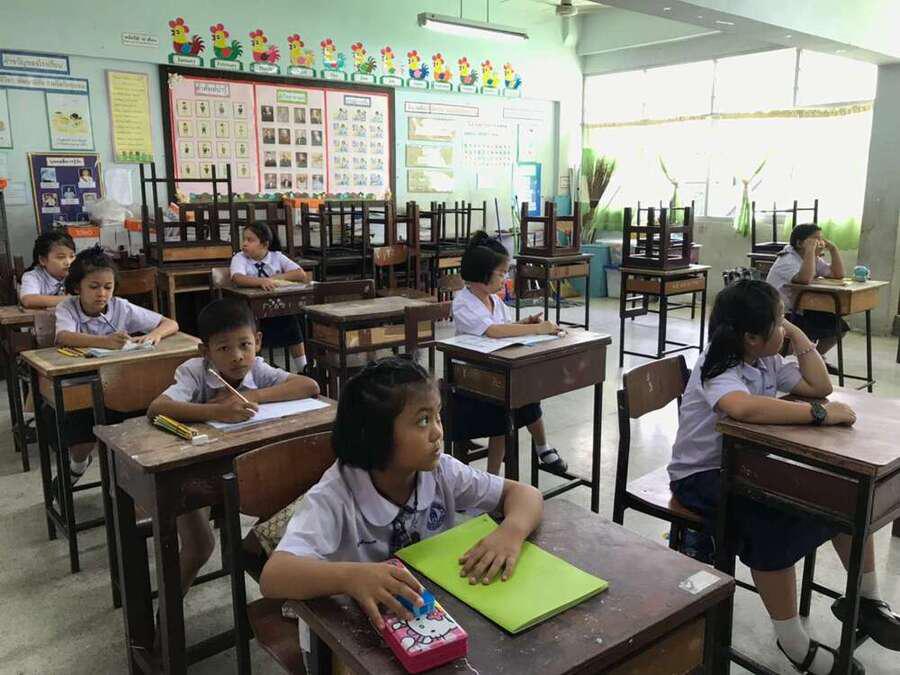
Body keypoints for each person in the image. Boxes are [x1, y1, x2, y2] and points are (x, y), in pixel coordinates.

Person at [668, 279, 898, 675]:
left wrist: (796, 335)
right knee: (769, 526)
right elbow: (742, 408)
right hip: (702, 476)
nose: (785, 326)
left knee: (841, 498)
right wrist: (819, 414)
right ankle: (793, 642)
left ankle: (866, 601)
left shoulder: (765, 360)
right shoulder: (717, 364)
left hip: (748, 468)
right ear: (751, 337)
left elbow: (820, 386)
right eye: (779, 322)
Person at [259, 357, 543, 630]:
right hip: (355, 625)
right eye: (423, 421)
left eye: (437, 416)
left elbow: (525, 494)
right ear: (376, 435)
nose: (437, 432)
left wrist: (510, 532)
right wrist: (350, 577)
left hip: (429, 609)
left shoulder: (440, 471)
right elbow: (274, 576)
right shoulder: (336, 495)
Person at [147, 298, 319, 595]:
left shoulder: (257, 369)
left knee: (285, 515)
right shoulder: (194, 372)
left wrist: (255, 396)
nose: (237, 356)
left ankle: (274, 589)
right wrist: (217, 411)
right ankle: (166, 617)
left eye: (245, 345)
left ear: (258, 342)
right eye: (224, 348)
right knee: (200, 546)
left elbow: (309, 386)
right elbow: (157, 408)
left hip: (243, 465)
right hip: (192, 469)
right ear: (205, 352)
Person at [52, 247, 178, 494]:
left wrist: (154, 335)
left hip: (122, 386)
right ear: (77, 287)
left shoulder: (121, 307)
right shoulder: (68, 308)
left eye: (108, 287)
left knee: (140, 427)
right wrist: (105, 342)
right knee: (81, 441)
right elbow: (63, 336)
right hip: (83, 389)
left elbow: (170, 323)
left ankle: (127, 488)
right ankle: (77, 466)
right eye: (94, 287)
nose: (102, 294)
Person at [449, 231, 566, 476]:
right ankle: (495, 475)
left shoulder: (495, 300)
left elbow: (504, 327)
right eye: (501, 273)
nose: (505, 278)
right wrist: (537, 328)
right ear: (483, 274)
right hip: (471, 379)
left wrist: (524, 323)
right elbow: (493, 331)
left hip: (497, 371)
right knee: (505, 406)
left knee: (527, 391)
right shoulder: (463, 302)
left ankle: (541, 446)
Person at [229, 223, 309, 372]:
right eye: (244, 239)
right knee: (253, 330)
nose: (244, 243)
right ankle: (257, 369)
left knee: (293, 321)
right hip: (251, 313)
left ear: (265, 244)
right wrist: (261, 282)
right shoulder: (240, 258)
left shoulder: (276, 256)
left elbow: (300, 274)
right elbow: (237, 278)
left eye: (250, 240)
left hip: (277, 309)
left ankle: (303, 368)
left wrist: (275, 278)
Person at [766, 224, 846, 365]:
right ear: (799, 243)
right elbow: (805, 279)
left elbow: (837, 274)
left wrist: (833, 249)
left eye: (821, 239)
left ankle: (815, 358)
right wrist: (810, 251)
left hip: (803, 309)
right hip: (783, 313)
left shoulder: (812, 258)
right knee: (820, 329)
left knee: (839, 327)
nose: (820, 243)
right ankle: (810, 359)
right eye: (815, 239)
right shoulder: (787, 259)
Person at [19, 230, 76, 309]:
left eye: (72, 256)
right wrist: (72, 300)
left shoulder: (77, 274)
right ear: (43, 260)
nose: (68, 262)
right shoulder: (33, 276)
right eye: (61, 257)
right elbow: (28, 300)